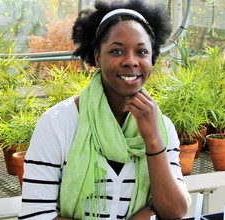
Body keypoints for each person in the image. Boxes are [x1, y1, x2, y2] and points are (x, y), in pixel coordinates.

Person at [18, 0, 191, 219]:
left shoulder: (162, 127)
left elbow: (175, 211)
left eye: (141, 52)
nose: (131, 61)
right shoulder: (58, 124)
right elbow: (35, 216)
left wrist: (153, 140)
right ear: (97, 58)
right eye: (117, 51)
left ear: (151, 59)